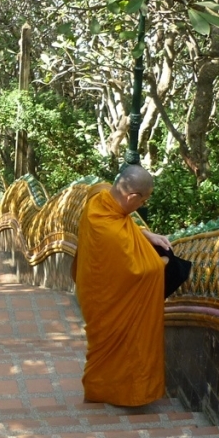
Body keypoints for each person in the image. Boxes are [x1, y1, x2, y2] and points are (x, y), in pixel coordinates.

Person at [73, 165, 172, 407]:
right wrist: (166, 262)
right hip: (107, 299)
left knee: (104, 349)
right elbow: (142, 270)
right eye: (143, 201)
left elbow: (104, 192)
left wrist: (144, 234)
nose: (143, 206)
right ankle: (125, 393)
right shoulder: (112, 233)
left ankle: (101, 389)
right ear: (132, 197)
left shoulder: (99, 198)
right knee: (123, 343)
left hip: (93, 289)